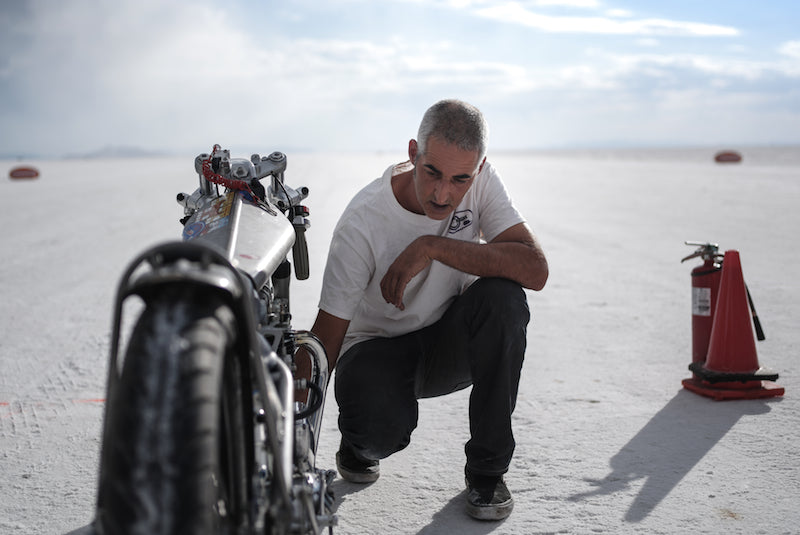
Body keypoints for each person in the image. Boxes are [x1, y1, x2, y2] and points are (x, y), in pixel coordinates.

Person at [309, 99, 548, 521]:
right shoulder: (363, 221)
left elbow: (535, 267)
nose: (443, 193)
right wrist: (290, 444)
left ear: (479, 167)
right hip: (375, 350)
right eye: (432, 172)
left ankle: (487, 475)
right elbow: (326, 340)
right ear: (412, 153)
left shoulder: (483, 182)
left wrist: (431, 246)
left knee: (503, 299)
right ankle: (358, 442)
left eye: (460, 179)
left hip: (446, 344)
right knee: (379, 431)